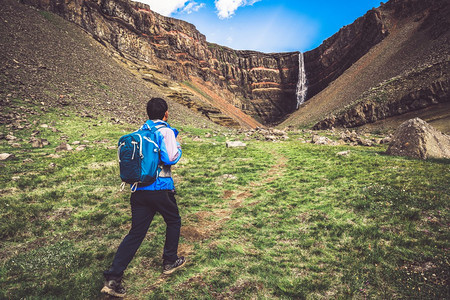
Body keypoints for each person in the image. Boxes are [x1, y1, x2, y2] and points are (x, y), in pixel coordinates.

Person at [101, 98, 185, 298]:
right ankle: (169, 261)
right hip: (160, 188)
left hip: (138, 189)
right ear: (166, 113)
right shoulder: (165, 131)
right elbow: (170, 157)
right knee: (174, 220)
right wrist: (179, 147)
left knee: (136, 233)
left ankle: (114, 278)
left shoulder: (141, 130)